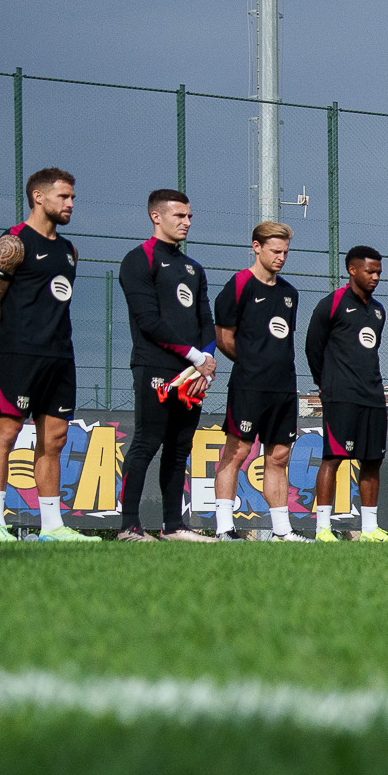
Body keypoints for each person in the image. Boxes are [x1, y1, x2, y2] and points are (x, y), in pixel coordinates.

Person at [0, 167, 86, 541]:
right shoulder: (12, 243)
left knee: (53, 440)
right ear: (38, 197)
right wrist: (7, 347)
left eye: (72, 197)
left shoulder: (69, 251)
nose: (70, 203)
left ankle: (52, 527)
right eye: (63, 196)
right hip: (19, 356)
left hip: (61, 357)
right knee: (5, 433)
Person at [115, 188, 218, 542]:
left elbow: (206, 320)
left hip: (192, 373)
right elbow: (148, 321)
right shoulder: (138, 259)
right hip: (155, 366)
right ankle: (129, 526)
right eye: (179, 216)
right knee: (147, 442)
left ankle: (174, 526)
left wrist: (207, 360)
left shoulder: (193, 267)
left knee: (179, 448)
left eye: (189, 216)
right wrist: (195, 358)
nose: (186, 222)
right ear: (156, 216)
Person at [211, 221, 305, 541]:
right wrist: (252, 364)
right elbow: (223, 337)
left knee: (279, 457)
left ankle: (282, 531)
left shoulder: (289, 293)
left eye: (285, 252)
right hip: (249, 386)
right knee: (235, 454)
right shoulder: (239, 284)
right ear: (256, 247)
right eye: (275, 251)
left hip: (284, 388)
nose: (281, 257)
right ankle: (224, 527)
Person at [302, 245, 388, 541]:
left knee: (372, 460)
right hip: (340, 395)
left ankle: (369, 528)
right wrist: (325, 382)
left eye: (379, 272)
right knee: (334, 458)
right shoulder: (331, 304)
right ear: (352, 270)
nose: (375, 277)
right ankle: (323, 529)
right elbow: (312, 347)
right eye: (370, 271)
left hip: (372, 395)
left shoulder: (379, 311)